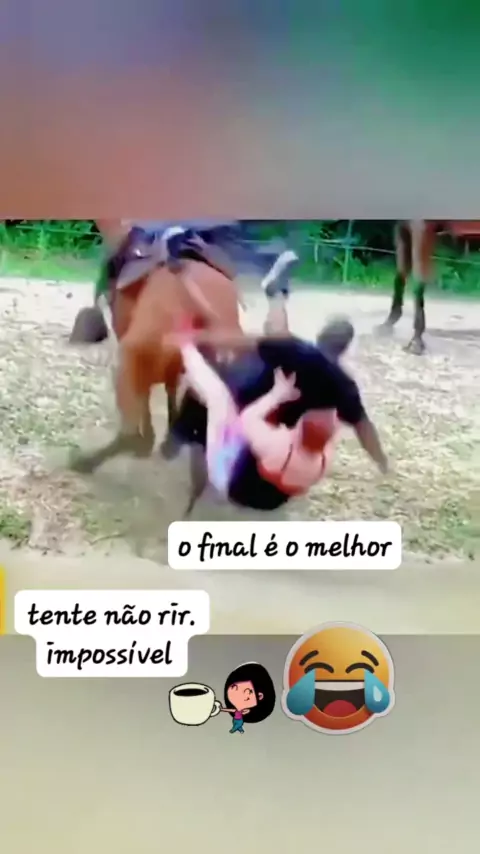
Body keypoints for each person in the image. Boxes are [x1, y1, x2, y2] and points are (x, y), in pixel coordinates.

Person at [170, 278, 388, 513]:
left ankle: (180, 438)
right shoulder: (344, 389)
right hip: (278, 473)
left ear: (320, 335)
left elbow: (247, 342)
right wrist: (381, 461)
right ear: (344, 349)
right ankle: (276, 294)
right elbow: (364, 428)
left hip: (252, 429)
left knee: (212, 399)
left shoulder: (295, 351)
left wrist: (201, 339)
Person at [219, 662, 276, 735]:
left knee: (237, 726)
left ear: (259, 696)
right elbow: (232, 710)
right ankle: (239, 729)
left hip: (238, 722)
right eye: (234, 687)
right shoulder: (237, 710)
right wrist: (221, 709)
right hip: (237, 721)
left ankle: (235, 729)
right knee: (238, 726)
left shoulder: (243, 711)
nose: (236, 692)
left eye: (247, 691)